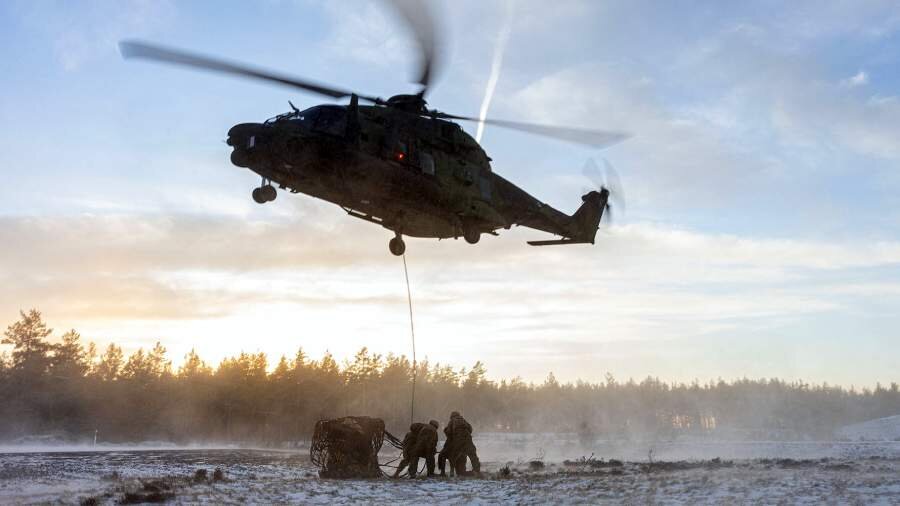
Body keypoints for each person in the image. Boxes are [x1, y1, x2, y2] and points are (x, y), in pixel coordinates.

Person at [439, 411, 481, 476]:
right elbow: (470, 429)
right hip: (468, 440)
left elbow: (449, 432)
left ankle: (452, 473)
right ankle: (477, 471)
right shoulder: (464, 420)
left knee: (453, 456)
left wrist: (447, 431)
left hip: (458, 441)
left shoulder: (452, 421)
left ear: (452, 416)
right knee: (473, 455)